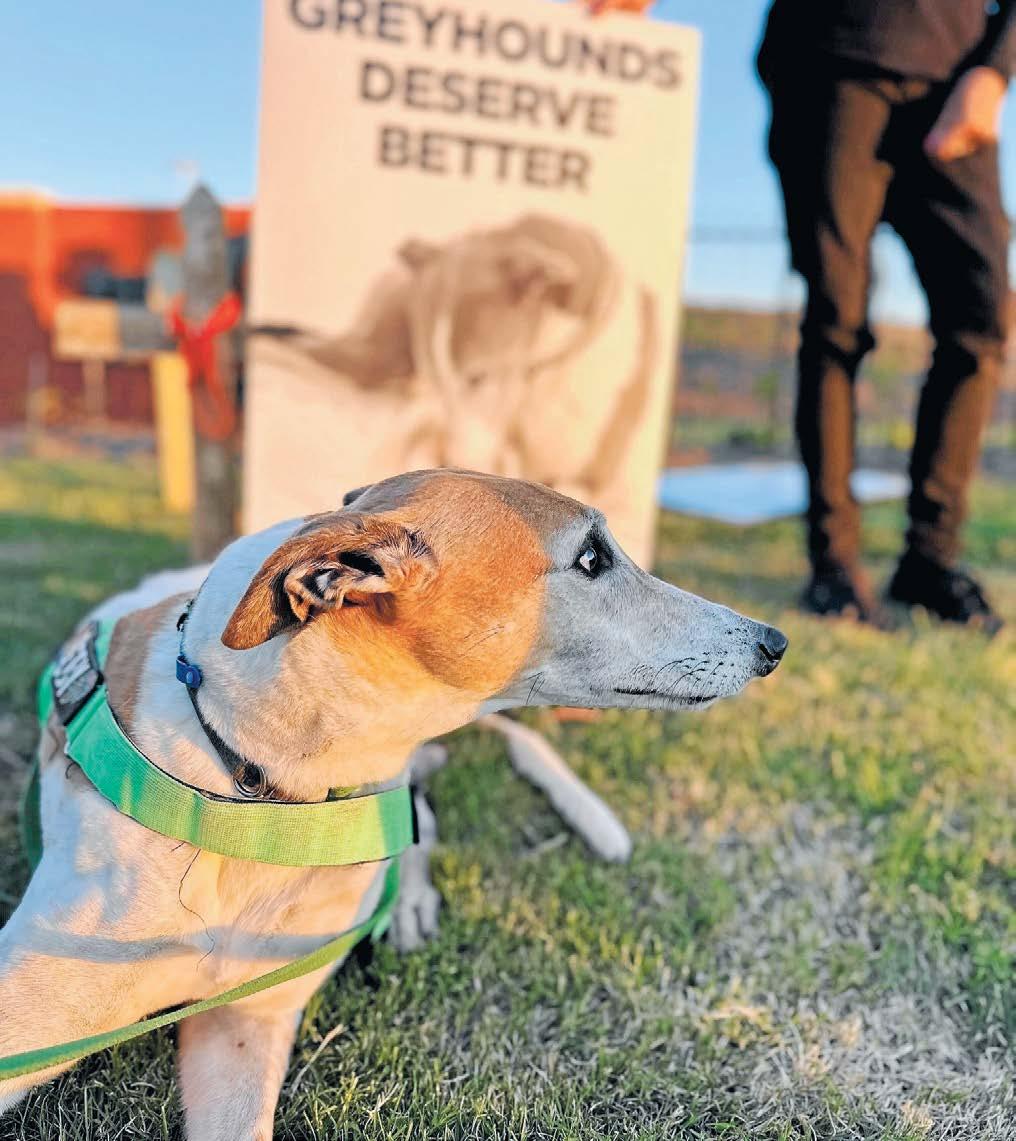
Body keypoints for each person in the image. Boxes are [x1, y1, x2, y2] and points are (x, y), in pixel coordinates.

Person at [758, 0, 1012, 631]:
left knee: (981, 318)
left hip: (955, 67)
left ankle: (930, 559)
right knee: (836, 319)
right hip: (829, 59)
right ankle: (834, 565)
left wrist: (995, 70)